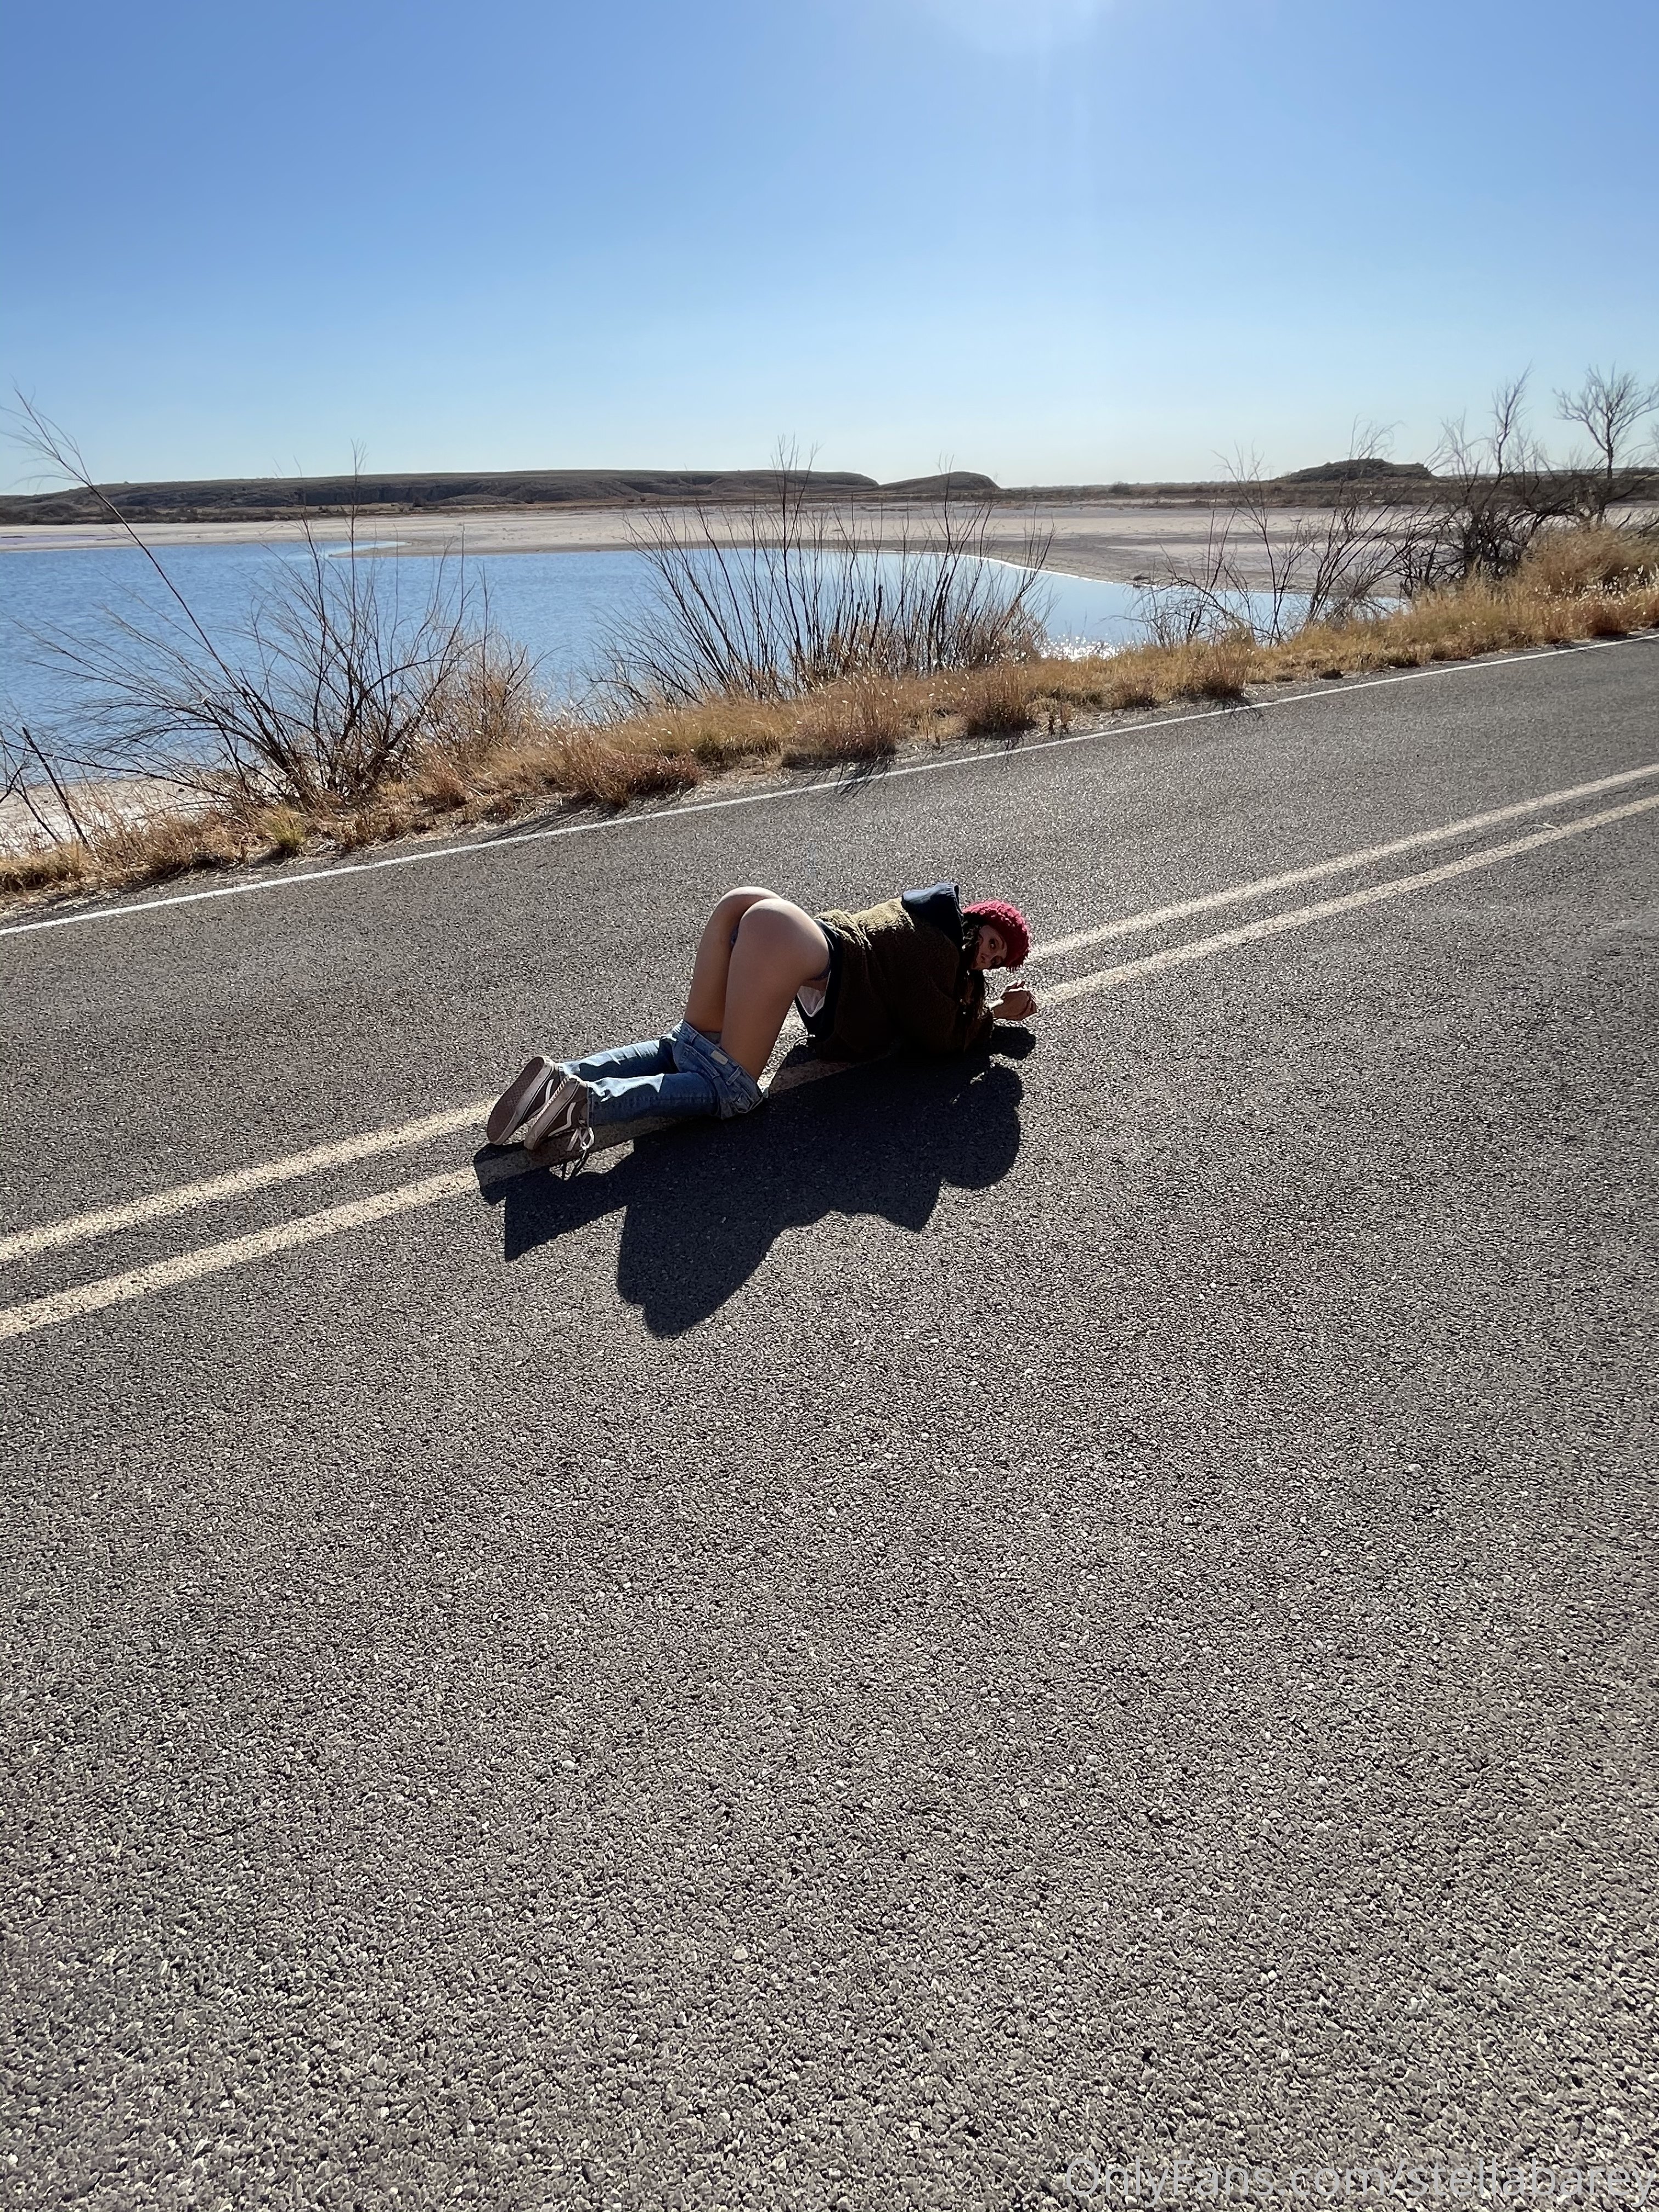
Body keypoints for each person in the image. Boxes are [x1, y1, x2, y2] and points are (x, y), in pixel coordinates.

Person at [486, 881, 1038, 1174]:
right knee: (735, 1089)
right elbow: (938, 1034)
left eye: (998, 960)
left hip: (751, 907)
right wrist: (997, 1014)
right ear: (976, 920)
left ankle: (559, 1076)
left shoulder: (921, 913)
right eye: (992, 943)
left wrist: (979, 996)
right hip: (790, 944)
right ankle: (588, 1101)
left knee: (689, 1045)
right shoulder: (938, 949)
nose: (988, 958)